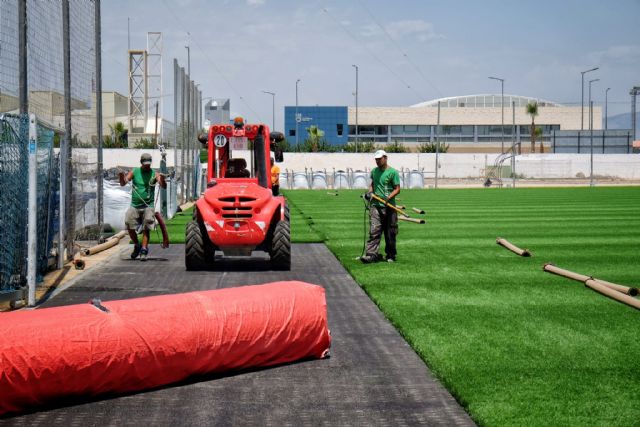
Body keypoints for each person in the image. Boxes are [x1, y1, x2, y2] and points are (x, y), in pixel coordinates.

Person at [119, 153, 166, 261]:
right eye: (145, 164)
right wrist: (121, 175)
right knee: (129, 225)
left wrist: (162, 178)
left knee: (146, 227)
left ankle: (144, 249)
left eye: (148, 164)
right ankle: (137, 245)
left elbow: (163, 186)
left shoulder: (154, 173)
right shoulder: (134, 172)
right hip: (135, 205)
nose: (147, 166)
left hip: (148, 206)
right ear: (141, 163)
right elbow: (122, 183)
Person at [360, 150, 401, 263]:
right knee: (374, 231)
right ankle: (371, 255)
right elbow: (372, 185)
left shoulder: (393, 172)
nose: (377, 161)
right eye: (376, 159)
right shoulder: (374, 171)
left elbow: (397, 189)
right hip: (375, 206)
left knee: (390, 232)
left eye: (379, 159)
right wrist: (370, 193)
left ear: (385, 158)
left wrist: (388, 198)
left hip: (390, 207)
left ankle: (391, 255)